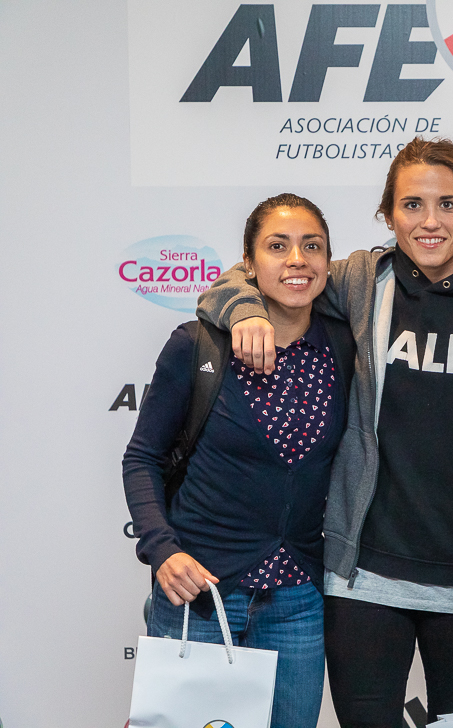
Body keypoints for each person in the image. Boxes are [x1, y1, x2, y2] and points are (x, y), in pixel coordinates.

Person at [197, 138, 453, 728]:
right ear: (388, 214)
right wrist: (246, 312)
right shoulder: (364, 281)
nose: (430, 221)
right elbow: (247, 275)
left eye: (447, 204)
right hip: (362, 581)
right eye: (412, 205)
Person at [123, 194, 353, 728]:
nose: (297, 259)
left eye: (311, 246)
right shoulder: (199, 345)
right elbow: (142, 458)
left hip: (299, 597)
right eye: (278, 246)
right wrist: (162, 549)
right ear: (247, 265)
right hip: (201, 591)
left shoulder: (343, 346)